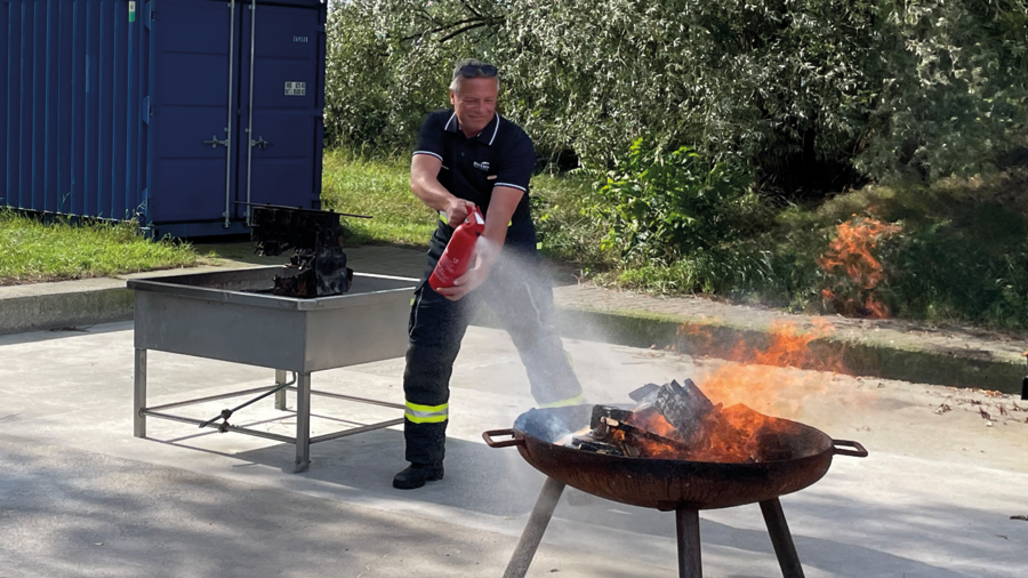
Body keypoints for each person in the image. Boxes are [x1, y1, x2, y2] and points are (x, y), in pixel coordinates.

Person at [393, 58, 586, 490]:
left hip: (509, 249)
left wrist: (483, 270)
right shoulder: (436, 126)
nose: (481, 108)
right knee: (428, 352)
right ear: (453, 97)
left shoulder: (515, 142)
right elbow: (420, 177)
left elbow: (498, 219)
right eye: (471, 99)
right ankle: (424, 461)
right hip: (452, 245)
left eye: (490, 100)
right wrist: (447, 203)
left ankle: (577, 453)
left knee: (543, 352)